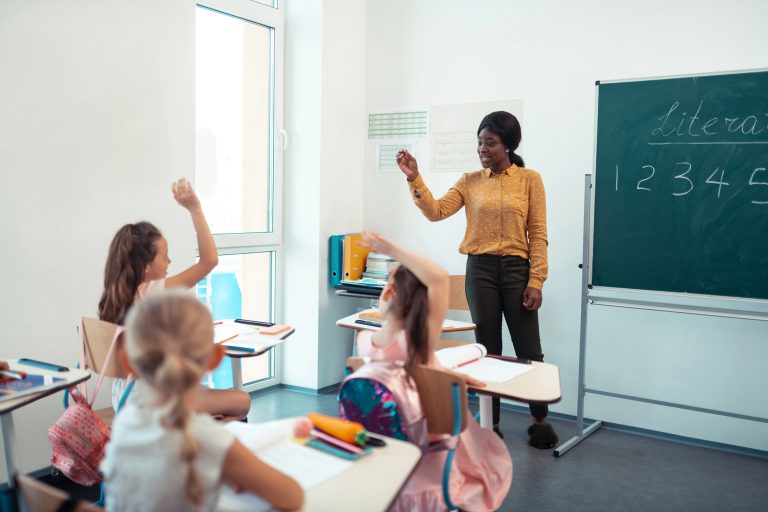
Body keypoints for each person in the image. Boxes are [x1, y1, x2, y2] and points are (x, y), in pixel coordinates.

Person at [396, 111, 558, 448]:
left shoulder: (530, 179)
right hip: (480, 270)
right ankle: (491, 425)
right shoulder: (469, 181)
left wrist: (536, 280)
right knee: (488, 350)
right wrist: (415, 178)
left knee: (529, 350)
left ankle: (539, 421)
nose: (482, 148)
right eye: (480, 142)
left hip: (517, 271)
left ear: (509, 145)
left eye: (490, 143)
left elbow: (539, 233)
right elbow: (436, 211)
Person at [101, 290, 304, 512]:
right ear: (215, 358)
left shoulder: (125, 423)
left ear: (126, 362)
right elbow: (292, 497)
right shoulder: (207, 438)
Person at [356, 230, 512, 512]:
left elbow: (403, 378)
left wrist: (443, 376)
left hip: (385, 455)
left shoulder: (365, 342)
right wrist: (388, 247)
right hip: (428, 459)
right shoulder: (418, 343)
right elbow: (438, 277)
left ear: (388, 292)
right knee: (488, 449)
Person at [98, 178, 250, 419]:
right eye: (165, 257)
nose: (169, 262)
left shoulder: (115, 294)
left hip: (123, 397)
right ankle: (195, 449)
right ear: (145, 266)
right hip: (150, 401)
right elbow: (209, 261)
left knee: (204, 400)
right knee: (242, 401)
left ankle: (187, 440)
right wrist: (195, 209)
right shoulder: (150, 292)